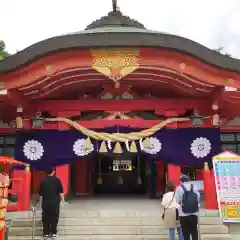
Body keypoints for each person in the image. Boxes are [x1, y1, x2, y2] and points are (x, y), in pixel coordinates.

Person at [39, 168, 65, 239]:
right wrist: (63, 201)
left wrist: (40, 203)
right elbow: (61, 192)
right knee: (54, 217)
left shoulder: (43, 181)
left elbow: (40, 194)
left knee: (45, 217)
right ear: (53, 171)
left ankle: (46, 233)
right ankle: (53, 233)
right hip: (55, 202)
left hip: (46, 202)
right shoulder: (57, 180)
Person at [175, 174, 200, 240]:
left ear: (180, 181)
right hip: (194, 213)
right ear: (188, 180)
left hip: (183, 215)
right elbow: (198, 198)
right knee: (194, 231)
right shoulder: (194, 187)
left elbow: (176, 201)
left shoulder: (179, 188)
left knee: (185, 233)